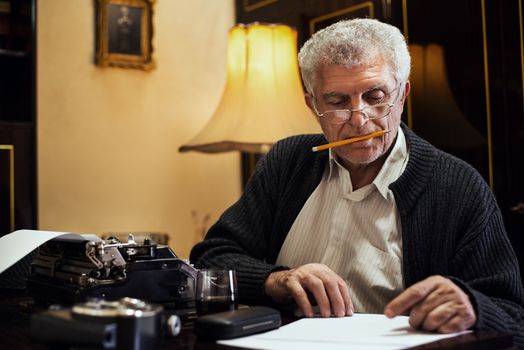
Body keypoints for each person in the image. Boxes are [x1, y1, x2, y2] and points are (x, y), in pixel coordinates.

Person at [190, 18, 524, 346]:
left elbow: (513, 315)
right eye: (337, 102)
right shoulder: (288, 162)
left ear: (403, 93)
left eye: (375, 95)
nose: (359, 119)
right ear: (312, 104)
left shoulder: (457, 186)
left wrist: (473, 308)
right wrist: (276, 279)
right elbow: (212, 260)